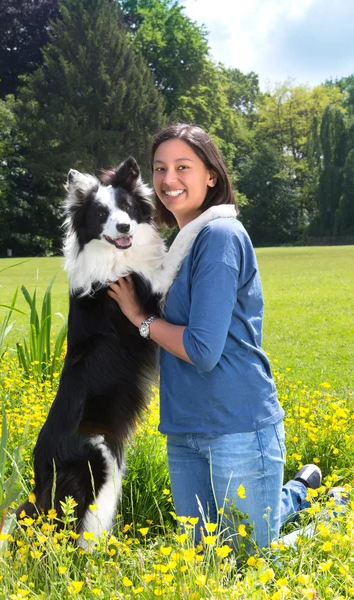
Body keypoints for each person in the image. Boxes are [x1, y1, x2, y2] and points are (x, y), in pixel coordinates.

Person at [107, 123, 321, 550]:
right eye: (160, 168)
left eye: (183, 167)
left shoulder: (220, 236)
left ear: (211, 175)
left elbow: (202, 350)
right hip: (184, 427)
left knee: (253, 561)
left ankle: (331, 509)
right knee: (206, 559)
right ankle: (299, 489)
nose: (169, 180)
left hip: (237, 426)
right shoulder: (179, 246)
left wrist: (140, 318)